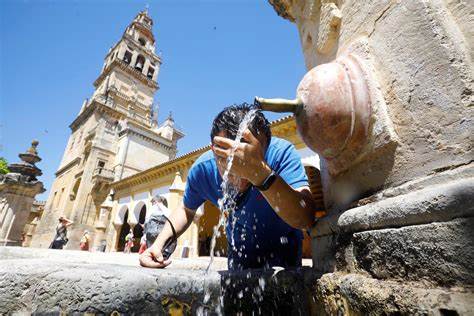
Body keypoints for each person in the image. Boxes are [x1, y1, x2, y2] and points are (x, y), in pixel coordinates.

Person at [140, 104, 317, 270]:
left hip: (285, 250)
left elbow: (306, 217)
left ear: (265, 147)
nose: (240, 176)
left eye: (249, 161)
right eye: (229, 161)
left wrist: (261, 174)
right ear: (214, 150)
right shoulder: (203, 170)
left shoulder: (282, 154)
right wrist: (157, 245)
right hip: (239, 253)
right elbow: (187, 210)